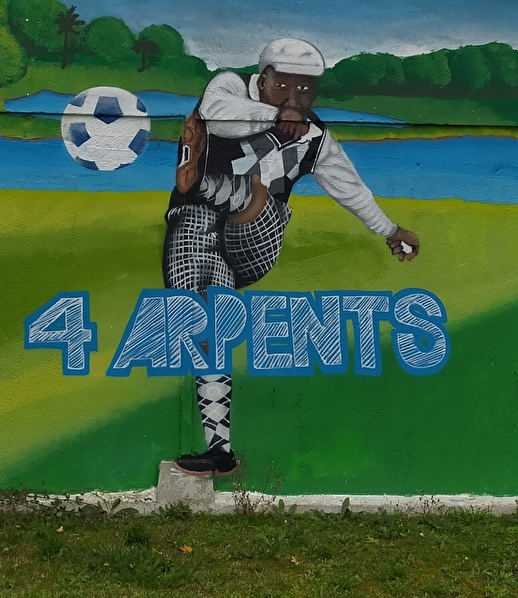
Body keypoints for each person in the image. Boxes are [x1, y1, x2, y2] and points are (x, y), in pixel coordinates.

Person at [164, 37, 420, 475]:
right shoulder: (227, 88)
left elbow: (350, 189)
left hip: (256, 240)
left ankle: (236, 195)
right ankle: (219, 450)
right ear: (261, 79)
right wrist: (274, 115)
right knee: (207, 323)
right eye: (283, 85)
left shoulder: (315, 137)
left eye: (305, 90)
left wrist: (390, 230)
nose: (294, 98)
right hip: (198, 231)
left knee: (247, 198)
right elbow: (215, 115)